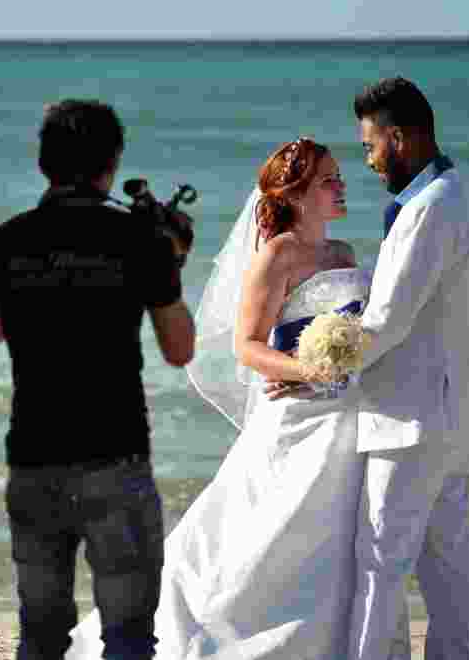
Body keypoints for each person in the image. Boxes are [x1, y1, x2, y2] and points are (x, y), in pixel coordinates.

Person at [68, 137, 411, 660]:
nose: (342, 186)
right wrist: (309, 369)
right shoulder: (277, 255)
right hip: (299, 418)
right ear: (296, 194)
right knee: (269, 539)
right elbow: (248, 346)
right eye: (328, 180)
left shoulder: (343, 254)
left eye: (340, 177)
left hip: (348, 417)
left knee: (336, 542)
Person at [0, 99, 195, 660]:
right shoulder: (140, 240)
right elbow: (180, 349)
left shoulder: (4, 241)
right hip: (115, 454)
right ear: (112, 163)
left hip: (32, 457)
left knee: (41, 635)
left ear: (43, 162)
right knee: (126, 636)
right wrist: (167, 263)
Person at [344, 77, 469, 660]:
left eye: (370, 146)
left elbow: (386, 321)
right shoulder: (459, 194)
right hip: (451, 411)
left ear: (398, 139)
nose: (370, 161)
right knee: (446, 563)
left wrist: (320, 369)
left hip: (409, 416)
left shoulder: (429, 209)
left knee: (379, 559)